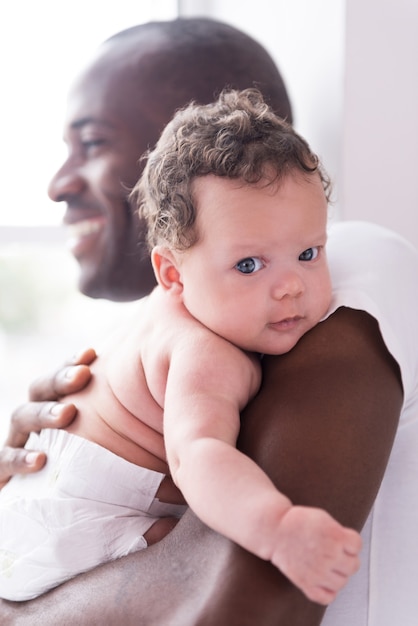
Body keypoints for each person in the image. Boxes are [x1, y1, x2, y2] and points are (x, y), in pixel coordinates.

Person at [0, 17, 414, 626]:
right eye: (249, 262)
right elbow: (198, 455)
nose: (59, 183)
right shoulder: (195, 343)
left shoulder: (356, 268)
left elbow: (222, 601)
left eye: (92, 142)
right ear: (173, 268)